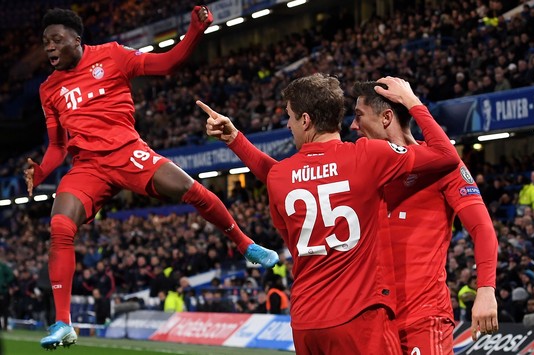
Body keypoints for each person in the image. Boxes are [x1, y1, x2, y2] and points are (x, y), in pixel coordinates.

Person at [24, 7, 278, 350]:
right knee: (60, 228)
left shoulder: (113, 55)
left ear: (76, 39)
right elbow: (57, 145)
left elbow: (167, 63)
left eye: (56, 40)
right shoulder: (49, 89)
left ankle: (245, 244)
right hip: (86, 167)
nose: (49, 47)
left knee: (192, 190)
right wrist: (40, 172)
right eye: (45, 43)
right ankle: (63, 323)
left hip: (127, 152)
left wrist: (194, 30)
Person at [199, 74, 460, 354]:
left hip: (306, 324)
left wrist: (235, 139)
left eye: (289, 116)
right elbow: (446, 156)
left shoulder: (282, 175)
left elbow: (273, 174)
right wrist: (412, 102)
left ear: (306, 120)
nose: (288, 124)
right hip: (359, 318)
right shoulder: (369, 156)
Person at [348, 81, 498, 351]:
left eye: (358, 116)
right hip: (373, 322)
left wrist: (486, 289)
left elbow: (483, 228)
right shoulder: (365, 169)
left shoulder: (442, 166)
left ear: (386, 117)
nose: (352, 126)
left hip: (424, 319)